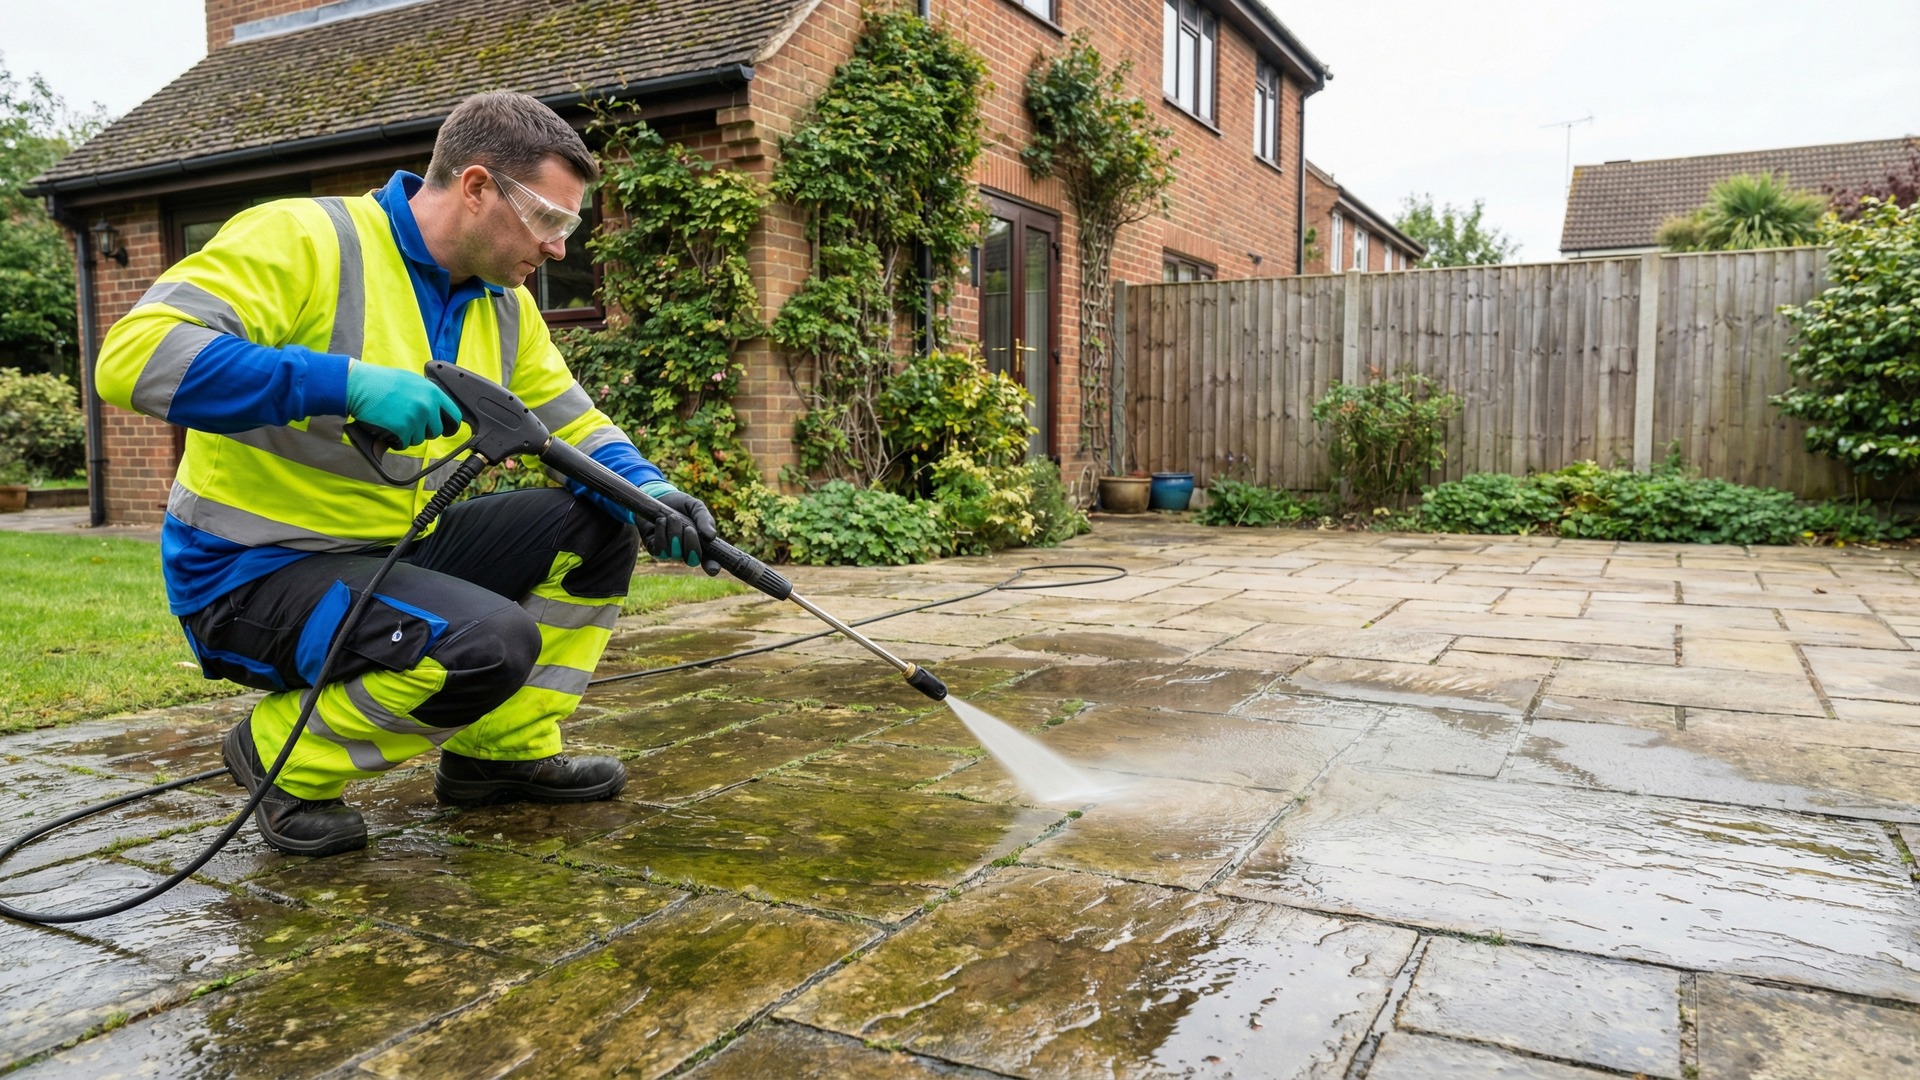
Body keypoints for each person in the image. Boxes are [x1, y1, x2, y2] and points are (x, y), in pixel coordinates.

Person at [96, 91, 717, 857]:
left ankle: (499, 755)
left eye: (569, 226)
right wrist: (343, 383)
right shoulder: (304, 237)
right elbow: (135, 358)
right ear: (478, 185)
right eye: (548, 221)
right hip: (247, 575)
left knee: (598, 525)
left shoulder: (504, 306)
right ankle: (283, 754)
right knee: (489, 643)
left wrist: (647, 490)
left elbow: (574, 425)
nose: (559, 248)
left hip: (386, 553)